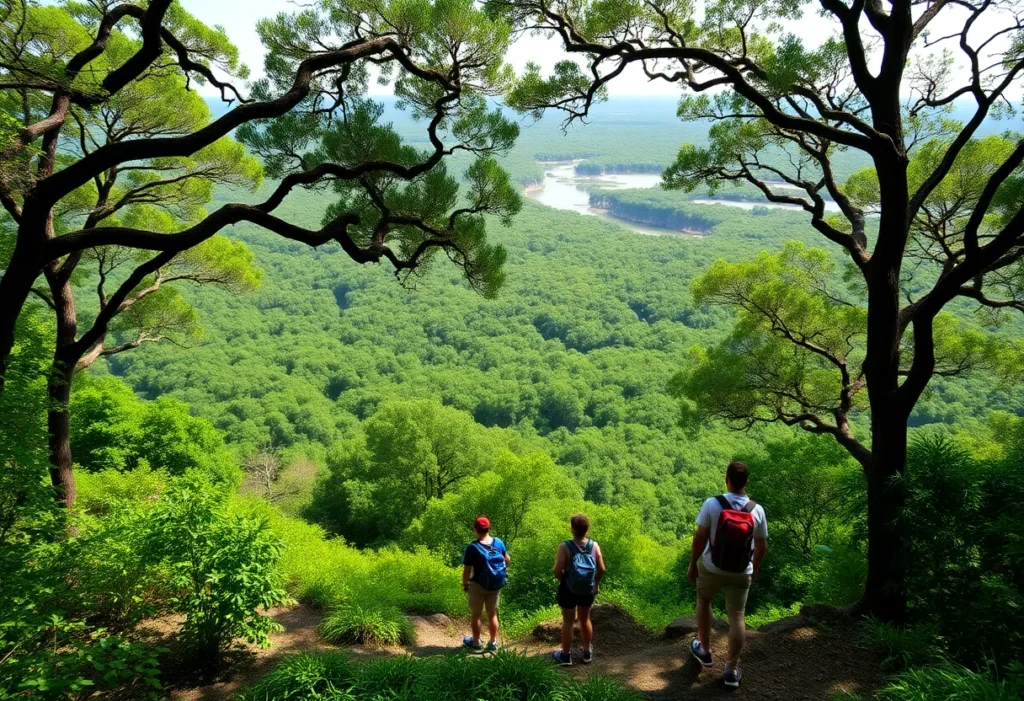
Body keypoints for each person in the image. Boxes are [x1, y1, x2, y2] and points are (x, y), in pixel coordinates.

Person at [687, 461, 768, 689]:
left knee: (704, 600)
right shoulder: (757, 510)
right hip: (742, 571)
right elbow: (761, 546)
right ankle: (731, 670)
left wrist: (692, 564)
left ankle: (704, 650)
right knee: (737, 616)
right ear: (747, 483)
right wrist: (755, 566)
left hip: (712, 567)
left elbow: (700, 538)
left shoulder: (712, 504)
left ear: (727, 479)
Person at [552, 513, 606, 666]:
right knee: (585, 620)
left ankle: (566, 656)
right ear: (587, 529)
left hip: (568, 589)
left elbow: (557, 569)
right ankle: (587, 653)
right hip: (587, 589)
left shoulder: (565, 546)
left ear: (572, 529)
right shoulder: (594, 546)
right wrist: (595, 584)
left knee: (568, 621)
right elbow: (602, 568)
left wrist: (564, 580)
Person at [461, 515, 509, 652]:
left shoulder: (472, 547)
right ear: (488, 529)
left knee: (476, 614)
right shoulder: (498, 542)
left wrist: (465, 584)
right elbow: (508, 560)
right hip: (495, 585)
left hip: (477, 585)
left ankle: (476, 642)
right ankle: (493, 642)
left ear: (475, 529)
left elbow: (467, 569)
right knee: (492, 613)